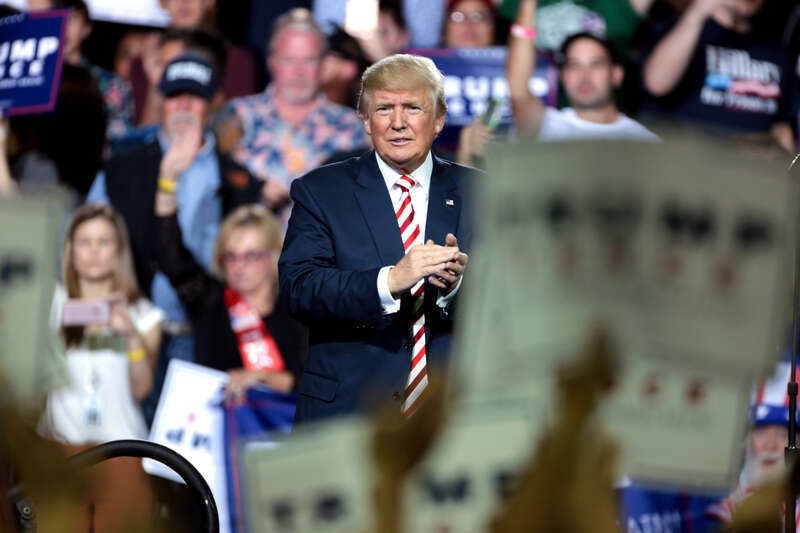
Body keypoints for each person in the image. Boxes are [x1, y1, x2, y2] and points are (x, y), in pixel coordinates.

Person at [279, 54, 478, 423]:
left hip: (453, 415)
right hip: (349, 414)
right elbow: (299, 289)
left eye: (413, 108)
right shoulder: (321, 191)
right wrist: (389, 281)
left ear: (439, 119)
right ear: (366, 121)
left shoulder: (482, 190)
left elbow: (517, 295)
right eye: (384, 108)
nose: (398, 123)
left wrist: (458, 285)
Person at [86, 53, 262, 422]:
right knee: (126, 451)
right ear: (160, 100)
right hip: (130, 330)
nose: (182, 105)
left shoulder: (237, 181)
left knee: (185, 468)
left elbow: (227, 271)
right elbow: (86, 243)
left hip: (203, 338)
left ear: (215, 102)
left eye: (194, 96)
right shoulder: (122, 167)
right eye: (173, 95)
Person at [37, 203, 161, 531]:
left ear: (119, 249)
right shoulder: (49, 303)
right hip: (59, 450)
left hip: (123, 451)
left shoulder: (144, 313)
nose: (93, 252)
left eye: (104, 241)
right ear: (69, 248)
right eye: (84, 241)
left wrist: (131, 336)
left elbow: (142, 389)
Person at [154, 198, 307, 399]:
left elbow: (313, 383)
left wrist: (261, 378)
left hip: (287, 426)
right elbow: (170, 254)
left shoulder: (299, 311)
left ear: (274, 256)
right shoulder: (208, 300)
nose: (239, 265)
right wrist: (167, 180)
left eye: (251, 255)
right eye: (230, 256)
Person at [226, 8, 369, 221]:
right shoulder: (236, 115)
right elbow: (211, 172)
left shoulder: (350, 127)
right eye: (289, 60)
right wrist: (253, 187)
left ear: (322, 64)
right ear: (272, 61)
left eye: (309, 60)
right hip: (246, 248)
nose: (299, 71)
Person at [641, 0, 797, 153]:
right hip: (685, 162)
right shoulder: (680, 30)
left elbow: (782, 127)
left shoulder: (775, 50)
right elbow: (656, 84)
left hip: (751, 171)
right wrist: (698, 12)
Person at [507, 0, 659, 141]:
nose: (584, 76)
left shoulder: (645, 141)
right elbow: (518, 92)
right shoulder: (544, 126)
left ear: (616, 74)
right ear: (563, 76)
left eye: (596, 64)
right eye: (574, 65)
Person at [31, 0, 136, 143]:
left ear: (86, 28)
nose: (63, 27)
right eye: (57, 18)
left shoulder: (110, 85)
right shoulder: (31, 80)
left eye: (72, 19)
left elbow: (121, 140)